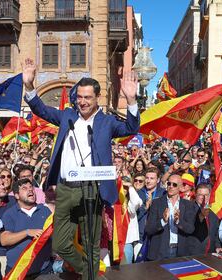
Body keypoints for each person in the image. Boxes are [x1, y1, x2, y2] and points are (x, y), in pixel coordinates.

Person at [22, 58, 140, 279]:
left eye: (87, 97)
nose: (82, 102)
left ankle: (90, 274)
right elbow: (40, 109)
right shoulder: (67, 115)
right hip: (65, 190)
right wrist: (29, 85)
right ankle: (90, 272)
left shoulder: (107, 122)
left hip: (92, 190)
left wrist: (131, 99)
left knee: (91, 244)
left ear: (97, 98)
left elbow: (131, 127)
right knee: (60, 244)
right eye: (79, 97)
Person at [0, 178, 53, 277]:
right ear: (16, 195)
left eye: (31, 187)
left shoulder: (45, 211)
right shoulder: (9, 214)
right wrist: (27, 232)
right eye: (24, 188)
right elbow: (4, 240)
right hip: (17, 271)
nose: (30, 190)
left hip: (43, 271)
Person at [145, 174, 195, 261]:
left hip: (180, 252)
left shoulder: (188, 205)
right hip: (160, 251)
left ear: (180, 187)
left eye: (174, 185)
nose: (171, 186)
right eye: (169, 184)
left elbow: (190, 229)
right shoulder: (156, 203)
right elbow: (149, 229)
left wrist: (178, 221)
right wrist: (163, 221)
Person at [187, 184, 222, 255]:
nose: (203, 197)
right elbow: (190, 228)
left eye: (206, 195)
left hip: (210, 253)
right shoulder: (188, 208)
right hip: (194, 253)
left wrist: (217, 246)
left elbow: (215, 232)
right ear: (195, 195)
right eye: (200, 195)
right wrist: (201, 216)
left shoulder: (213, 213)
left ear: (210, 195)